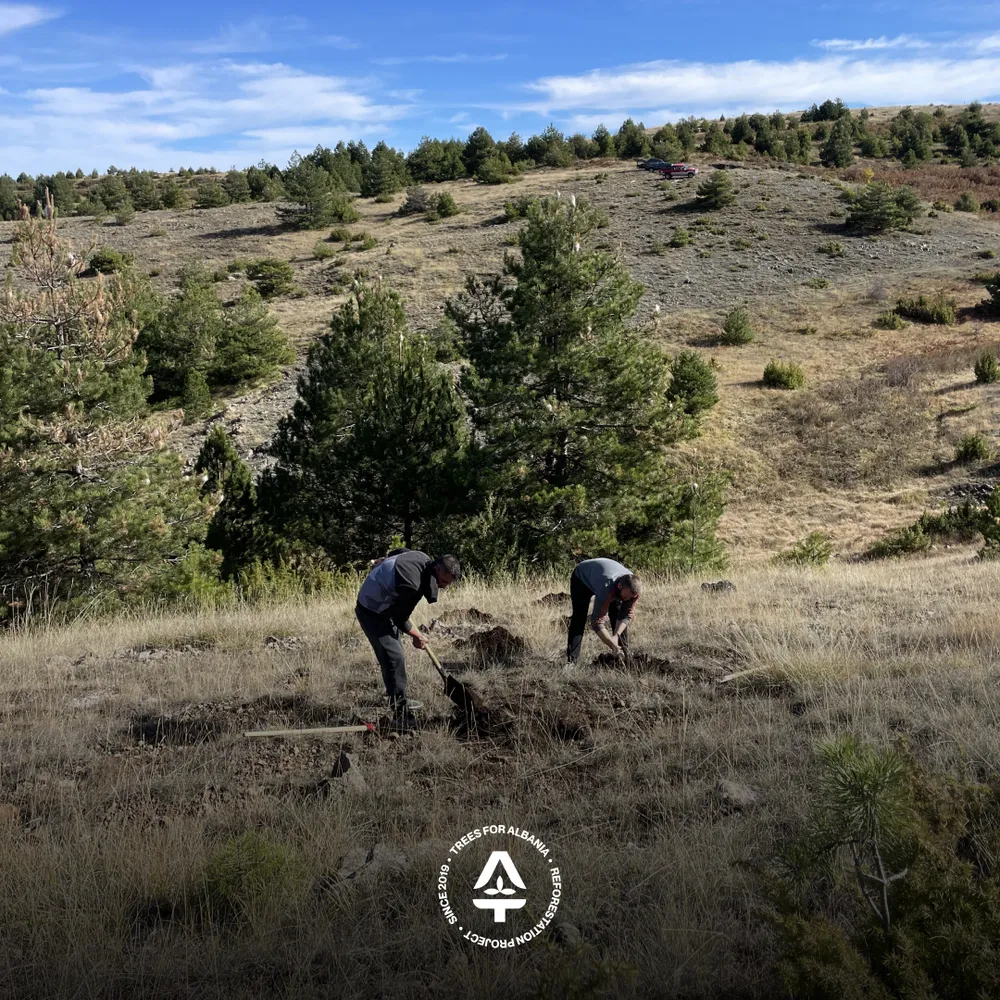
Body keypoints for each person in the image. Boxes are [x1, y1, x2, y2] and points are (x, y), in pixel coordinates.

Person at [355, 549, 461, 729]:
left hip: (387, 606)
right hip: (372, 611)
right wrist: (417, 636)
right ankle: (400, 713)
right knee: (394, 657)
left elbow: (400, 552)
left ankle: (399, 695)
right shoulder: (412, 584)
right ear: (437, 569)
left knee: (395, 654)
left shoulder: (422, 557)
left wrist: (384, 558)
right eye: (443, 582)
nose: (444, 586)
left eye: (448, 584)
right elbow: (400, 619)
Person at [566, 558, 641, 665]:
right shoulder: (606, 587)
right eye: (627, 596)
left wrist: (616, 636)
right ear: (619, 586)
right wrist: (612, 644)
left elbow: (626, 615)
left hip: (602, 576)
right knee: (579, 617)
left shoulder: (634, 589)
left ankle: (625, 656)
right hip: (582, 578)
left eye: (631, 598)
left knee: (618, 612)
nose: (628, 599)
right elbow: (596, 621)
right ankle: (572, 662)